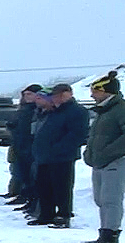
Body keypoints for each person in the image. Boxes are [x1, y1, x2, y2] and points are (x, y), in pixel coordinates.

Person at [81, 73, 125, 243]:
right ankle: (104, 232)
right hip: (102, 161)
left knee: (111, 198)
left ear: (105, 91)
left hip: (121, 159)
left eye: (94, 91)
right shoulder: (103, 111)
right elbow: (96, 136)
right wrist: (90, 153)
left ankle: (110, 236)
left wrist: (107, 153)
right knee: (100, 199)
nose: (92, 95)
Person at [29, 83, 91, 228]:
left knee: (62, 187)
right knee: (44, 185)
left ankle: (64, 215)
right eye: (54, 96)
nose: (55, 99)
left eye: (57, 96)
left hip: (63, 156)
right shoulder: (53, 111)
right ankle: (46, 214)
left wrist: (58, 148)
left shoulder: (77, 111)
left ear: (67, 94)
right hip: (44, 155)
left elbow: (77, 134)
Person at [3, 85, 44, 205]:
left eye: (29, 94)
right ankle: (22, 195)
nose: (26, 97)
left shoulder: (37, 110)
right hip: (19, 144)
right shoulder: (23, 109)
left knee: (31, 175)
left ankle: (30, 198)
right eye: (25, 94)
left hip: (31, 146)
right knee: (21, 171)